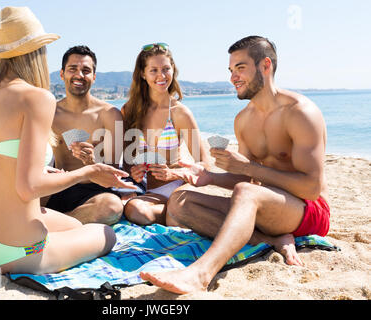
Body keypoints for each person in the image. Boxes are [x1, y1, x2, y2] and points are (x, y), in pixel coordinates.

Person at [0, 6, 135, 274]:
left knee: (75, 227)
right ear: (36, 52)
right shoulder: (37, 98)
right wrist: (90, 171)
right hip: (15, 251)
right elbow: (28, 187)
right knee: (106, 234)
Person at [140, 36, 330, 294]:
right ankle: (271, 240)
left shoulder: (300, 113)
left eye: (240, 68)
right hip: (265, 206)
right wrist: (209, 177)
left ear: (265, 66)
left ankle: (200, 274)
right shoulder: (244, 120)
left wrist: (249, 169)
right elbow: (246, 179)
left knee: (246, 192)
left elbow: (311, 188)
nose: (233, 78)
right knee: (179, 201)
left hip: (308, 211)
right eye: (231, 70)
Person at [121, 43, 210, 226]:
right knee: (134, 210)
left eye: (166, 69)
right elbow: (128, 159)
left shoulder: (179, 112)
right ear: (142, 74)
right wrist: (134, 172)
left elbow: (204, 162)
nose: (161, 76)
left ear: (173, 70)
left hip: (180, 187)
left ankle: (177, 215)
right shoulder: (130, 111)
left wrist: (173, 174)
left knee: (143, 211)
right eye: (153, 70)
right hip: (153, 192)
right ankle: (175, 217)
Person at [40, 45, 129, 225]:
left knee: (112, 207)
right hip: (57, 186)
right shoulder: (49, 113)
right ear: (62, 74)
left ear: (94, 77)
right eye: (73, 69)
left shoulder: (110, 114)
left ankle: (51, 224)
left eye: (86, 70)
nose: (79, 75)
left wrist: (91, 164)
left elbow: (112, 176)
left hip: (93, 192)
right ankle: (57, 223)